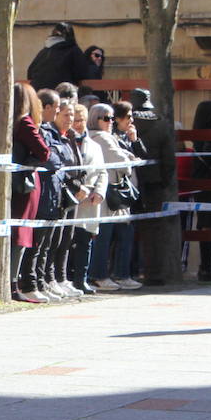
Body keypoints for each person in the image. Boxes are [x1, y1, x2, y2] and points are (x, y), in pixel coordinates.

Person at [87, 102, 142, 291]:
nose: (110, 122)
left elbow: (123, 154)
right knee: (109, 234)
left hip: (110, 193)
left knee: (118, 233)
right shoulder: (101, 137)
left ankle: (115, 274)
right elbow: (120, 161)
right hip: (111, 192)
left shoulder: (103, 137)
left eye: (112, 118)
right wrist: (130, 162)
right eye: (106, 118)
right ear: (96, 119)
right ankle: (103, 275)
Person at [34, 89, 84, 299]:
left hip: (68, 193)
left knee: (64, 239)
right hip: (54, 191)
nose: (69, 119)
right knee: (46, 242)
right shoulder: (48, 133)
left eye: (72, 115)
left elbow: (75, 164)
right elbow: (56, 161)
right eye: (64, 114)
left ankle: (56, 278)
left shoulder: (71, 136)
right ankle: (41, 280)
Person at [126, 87, 177, 285]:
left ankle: (125, 271)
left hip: (127, 181)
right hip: (153, 184)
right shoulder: (161, 125)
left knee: (123, 228)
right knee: (154, 230)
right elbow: (169, 160)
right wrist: (164, 181)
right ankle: (154, 273)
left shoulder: (127, 123)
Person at [11, 82, 54, 303]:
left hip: (12, 182)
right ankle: (12, 284)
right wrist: (30, 162)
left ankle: (11, 282)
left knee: (15, 232)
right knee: (20, 233)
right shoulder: (24, 123)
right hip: (24, 185)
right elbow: (44, 152)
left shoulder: (6, 122)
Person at [67, 86, 107, 294]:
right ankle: (66, 277)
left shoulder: (94, 146)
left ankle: (81, 279)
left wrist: (99, 191)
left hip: (90, 199)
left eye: (81, 121)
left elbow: (103, 172)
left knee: (85, 241)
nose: (78, 125)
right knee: (67, 241)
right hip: (72, 197)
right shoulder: (66, 143)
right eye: (75, 121)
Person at [189, 99, 211, 282]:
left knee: (208, 223)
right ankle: (207, 266)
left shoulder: (200, 137)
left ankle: (208, 266)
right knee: (208, 224)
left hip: (205, 183)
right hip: (207, 184)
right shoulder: (206, 137)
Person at [26, 22, 97, 91]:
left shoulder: (44, 51)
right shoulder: (74, 50)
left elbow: (30, 72)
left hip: (38, 92)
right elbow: (81, 73)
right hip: (61, 92)